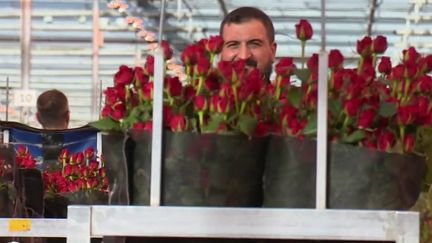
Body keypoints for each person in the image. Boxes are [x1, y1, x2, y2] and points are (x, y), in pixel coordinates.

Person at [220, 6, 277, 82]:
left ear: (272, 51)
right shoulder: (201, 93)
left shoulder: (293, 94)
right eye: (233, 45)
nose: (243, 56)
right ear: (221, 51)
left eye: (254, 44)